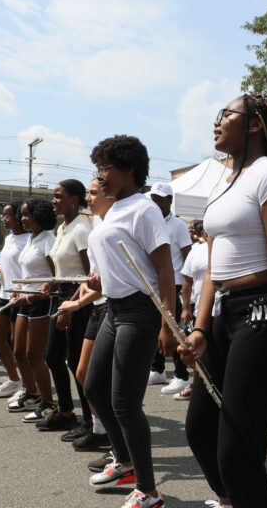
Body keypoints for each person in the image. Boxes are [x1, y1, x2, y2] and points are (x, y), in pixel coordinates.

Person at [178, 93, 267, 508]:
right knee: (199, 430)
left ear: (253, 124)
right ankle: (231, 500)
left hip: (260, 313)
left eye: (224, 114)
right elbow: (213, 268)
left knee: (239, 449)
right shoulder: (224, 180)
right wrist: (198, 327)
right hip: (221, 315)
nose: (216, 122)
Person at [83, 135, 176, 508]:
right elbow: (120, 263)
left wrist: (167, 323)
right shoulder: (114, 209)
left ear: (129, 169)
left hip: (139, 311)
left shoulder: (143, 208)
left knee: (125, 404)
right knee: (93, 388)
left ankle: (149, 490)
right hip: (114, 308)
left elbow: (164, 268)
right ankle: (122, 461)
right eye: (99, 168)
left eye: (106, 168)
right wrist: (99, 278)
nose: (100, 176)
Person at [57, 177, 113, 451]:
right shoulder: (97, 225)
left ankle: (112, 437)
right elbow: (90, 276)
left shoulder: (108, 224)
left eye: (93, 193)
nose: (88, 199)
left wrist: (77, 303)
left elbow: (110, 280)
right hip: (96, 302)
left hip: (112, 307)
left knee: (100, 379)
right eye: (88, 193)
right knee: (83, 373)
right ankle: (100, 428)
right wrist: (76, 298)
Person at [39, 179, 93, 433]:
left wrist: (73, 306)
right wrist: (52, 283)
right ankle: (66, 412)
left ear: (75, 199)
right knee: (53, 356)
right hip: (63, 295)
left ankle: (89, 421)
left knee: (75, 361)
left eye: (59, 196)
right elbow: (64, 268)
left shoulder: (82, 228)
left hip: (78, 299)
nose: (54, 200)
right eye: (54, 196)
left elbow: (89, 273)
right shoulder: (63, 227)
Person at [7, 200, 57, 422]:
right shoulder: (30, 238)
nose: (23, 219)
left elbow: (56, 279)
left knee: (34, 355)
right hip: (24, 302)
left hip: (40, 302)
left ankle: (49, 403)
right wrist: (17, 290)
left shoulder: (49, 240)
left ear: (39, 215)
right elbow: (27, 273)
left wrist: (28, 296)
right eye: (22, 215)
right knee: (18, 352)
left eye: (27, 215)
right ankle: (32, 392)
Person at [147, 181, 193, 396]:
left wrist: (186, 285)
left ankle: (181, 375)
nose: (155, 202)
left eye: (160, 198)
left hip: (173, 283)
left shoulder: (179, 225)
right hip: (154, 283)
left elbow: (188, 256)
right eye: (153, 198)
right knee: (156, 328)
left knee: (174, 330)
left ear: (169, 201)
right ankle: (157, 369)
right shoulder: (150, 221)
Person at [0, 202, 30, 398]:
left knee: (18, 346)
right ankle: (14, 380)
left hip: (20, 297)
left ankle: (28, 386)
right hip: (4, 295)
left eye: (7, 216)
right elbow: (10, 265)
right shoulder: (9, 238)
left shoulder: (29, 239)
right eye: (2, 216)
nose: (4, 219)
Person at [175, 219, 209, 401]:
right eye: (205, 229)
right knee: (196, 349)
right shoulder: (196, 250)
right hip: (198, 306)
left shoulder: (223, 248)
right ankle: (196, 385)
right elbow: (186, 281)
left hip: (220, 306)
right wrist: (186, 308)